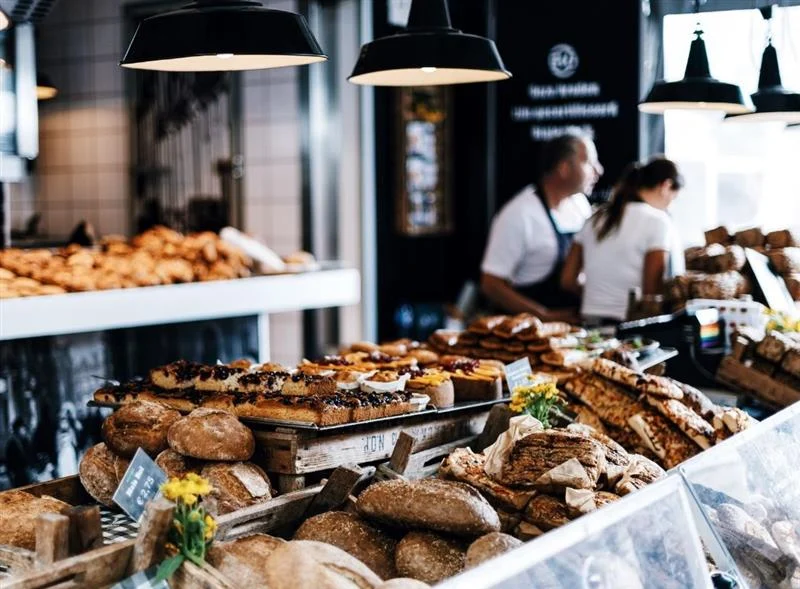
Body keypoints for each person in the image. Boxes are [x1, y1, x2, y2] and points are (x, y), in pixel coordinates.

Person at [480, 128, 604, 322]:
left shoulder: (580, 204)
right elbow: (491, 284)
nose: (598, 170)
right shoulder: (519, 214)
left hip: (574, 327)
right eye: (589, 162)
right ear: (564, 168)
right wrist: (543, 316)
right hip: (530, 332)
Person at [560, 156, 685, 323]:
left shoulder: (595, 218)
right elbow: (651, 293)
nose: (671, 205)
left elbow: (567, 280)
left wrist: (599, 295)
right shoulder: (658, 221)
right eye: (674, 198)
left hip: (589, 321)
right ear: (666, 186)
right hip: (629, 326)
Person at [5, 418, 35, 488]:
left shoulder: (26, 441)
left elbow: (31, 456)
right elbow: (9, 464)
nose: (24, 431)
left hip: (28, 474)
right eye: (22, 428)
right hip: (19, 476)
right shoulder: (11, 444)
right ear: (17, 429)